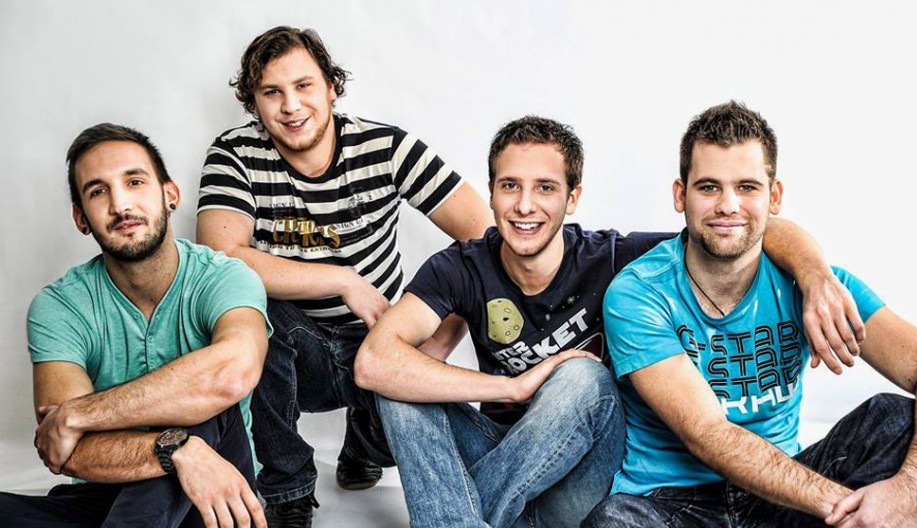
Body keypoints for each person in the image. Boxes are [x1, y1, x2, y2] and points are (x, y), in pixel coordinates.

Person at [354, 115, 864, 528]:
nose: (525, 205)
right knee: (400, 382)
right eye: (510, 186)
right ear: (491, 192)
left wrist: (815, 274)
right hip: (501, 454)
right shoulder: (460, 266)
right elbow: (374, 361)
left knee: (581, 376)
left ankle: (459, 515)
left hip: (583, 484)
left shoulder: (616, 259)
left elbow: (738, 230)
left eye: (545, 187)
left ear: (572, 198)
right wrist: (511, 387)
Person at [585, 101, 917, 528]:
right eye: (709, 187)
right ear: (681, 195)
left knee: (899, 421)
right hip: (674, 504)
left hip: (782, 499)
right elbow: (708, 434)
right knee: (615, 520)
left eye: (747, 187)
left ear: (774, 197)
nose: (728, 205)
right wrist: (857, 512)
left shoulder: (819, 287)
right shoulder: (639, 293)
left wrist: (914, 489)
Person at [196, 25, 492, 525]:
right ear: (254, 102)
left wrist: (439, 343)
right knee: (251, 314)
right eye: (272, 92)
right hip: (289, 344)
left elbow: (484, 241)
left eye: (303, 86)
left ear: (331, 86)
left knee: (405, 426)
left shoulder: (387, 147)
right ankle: (288, 489)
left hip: (378, 335)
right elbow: (220, 255)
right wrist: (342, 279)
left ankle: (364, 444)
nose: (291, 106)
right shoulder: (234, 153)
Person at [0, 123, 271, 528]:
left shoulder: (225, 277)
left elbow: (231, 374)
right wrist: (177, 451)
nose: (120, 204)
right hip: (108, 491)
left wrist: (78, 414)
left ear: (170, 194)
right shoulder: (59, 306)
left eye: (135, 182)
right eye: (98, 192)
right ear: (80, 218)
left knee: (207, 403)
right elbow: (66, 450)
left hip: (213, 494)